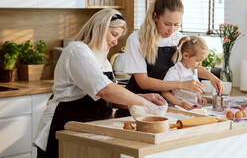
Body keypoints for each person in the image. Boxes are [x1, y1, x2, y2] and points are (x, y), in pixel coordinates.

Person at [34, 8, 166, 158]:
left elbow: (108, 99)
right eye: (114, 34)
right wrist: (145, 103)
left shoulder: (102, 58)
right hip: (63, 127)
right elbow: (105, 91)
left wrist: (144, 97)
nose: (116, 42)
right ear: (100, 28)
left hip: (89, 129)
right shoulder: (77, 50)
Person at [116, 0, 223, 117]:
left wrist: (211, 77)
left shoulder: (178, 38)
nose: (171, 29)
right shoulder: (137, 39)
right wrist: (182, 85)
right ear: (155, 17)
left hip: (164, 105)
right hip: (138, 105)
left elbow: (188, 64)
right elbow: (143, 82)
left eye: (176, 24)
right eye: (167, 24)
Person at [161, 36, 209, 110]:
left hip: (192, 107)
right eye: (197, 61)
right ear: (186, 55)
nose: (200, 65)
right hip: (177, 108)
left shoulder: (193, 70)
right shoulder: (174, 71)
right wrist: (180, 103)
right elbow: (164, 92)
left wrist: (199, 98)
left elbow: (194, 89)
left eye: (201, 61)